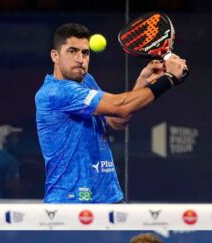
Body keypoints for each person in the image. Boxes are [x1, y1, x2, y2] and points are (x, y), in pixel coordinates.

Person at [36, 23, 188, 203]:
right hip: (70, 202)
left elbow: (116, 121)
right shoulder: (55, 92)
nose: (80, 59)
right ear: (55, 56)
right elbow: (120, 106)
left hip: (109, 197)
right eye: (72, 51)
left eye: (85, 53)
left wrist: (142, 82)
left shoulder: (86, 80)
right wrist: (169, 79)